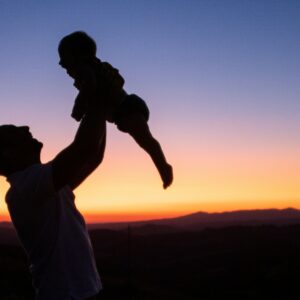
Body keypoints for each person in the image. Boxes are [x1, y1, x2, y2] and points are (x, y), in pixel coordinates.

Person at [0, 66, 123, 299]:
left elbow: (92, 157)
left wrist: (100, 105)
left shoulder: (42, 184)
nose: (25, 127)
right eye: (14, 131)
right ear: (8, 154)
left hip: (81, 291)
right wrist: (99, 94)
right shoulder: (25, 187)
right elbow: (84, 148)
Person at [58, 31, 173, 189]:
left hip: (127, 108)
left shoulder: (86, 69)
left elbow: (90, 86)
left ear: (78, 56)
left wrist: (78, 107)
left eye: (64, 59)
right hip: (123, 110)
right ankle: (162, 165)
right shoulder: (95, 67)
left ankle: (163, 166)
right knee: (143, 141)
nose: (62, 65)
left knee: (146, 141)